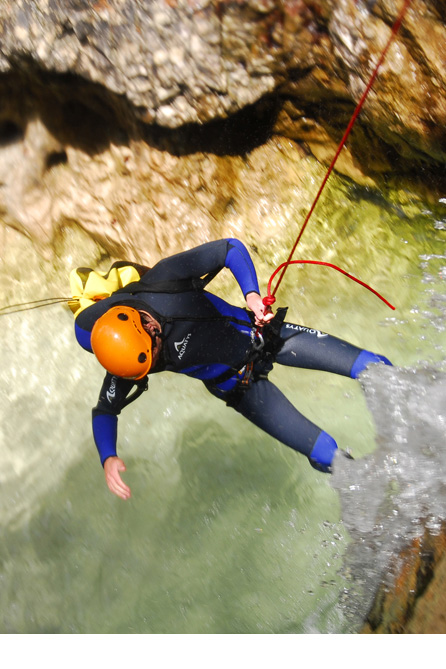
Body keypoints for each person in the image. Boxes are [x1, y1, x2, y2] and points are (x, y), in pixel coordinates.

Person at [73, 238, 392, 500]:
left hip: (264, 335)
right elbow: (105, 409)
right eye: (150, 362)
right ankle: (384, 498)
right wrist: (108, 457)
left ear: (146, 325)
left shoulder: (164, 281)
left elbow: (229, 249)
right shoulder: (129, 358)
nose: (156, 359)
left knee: (374, 367)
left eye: (154, 352)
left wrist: (251, 295)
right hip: (240, 386)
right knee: (328, 456)